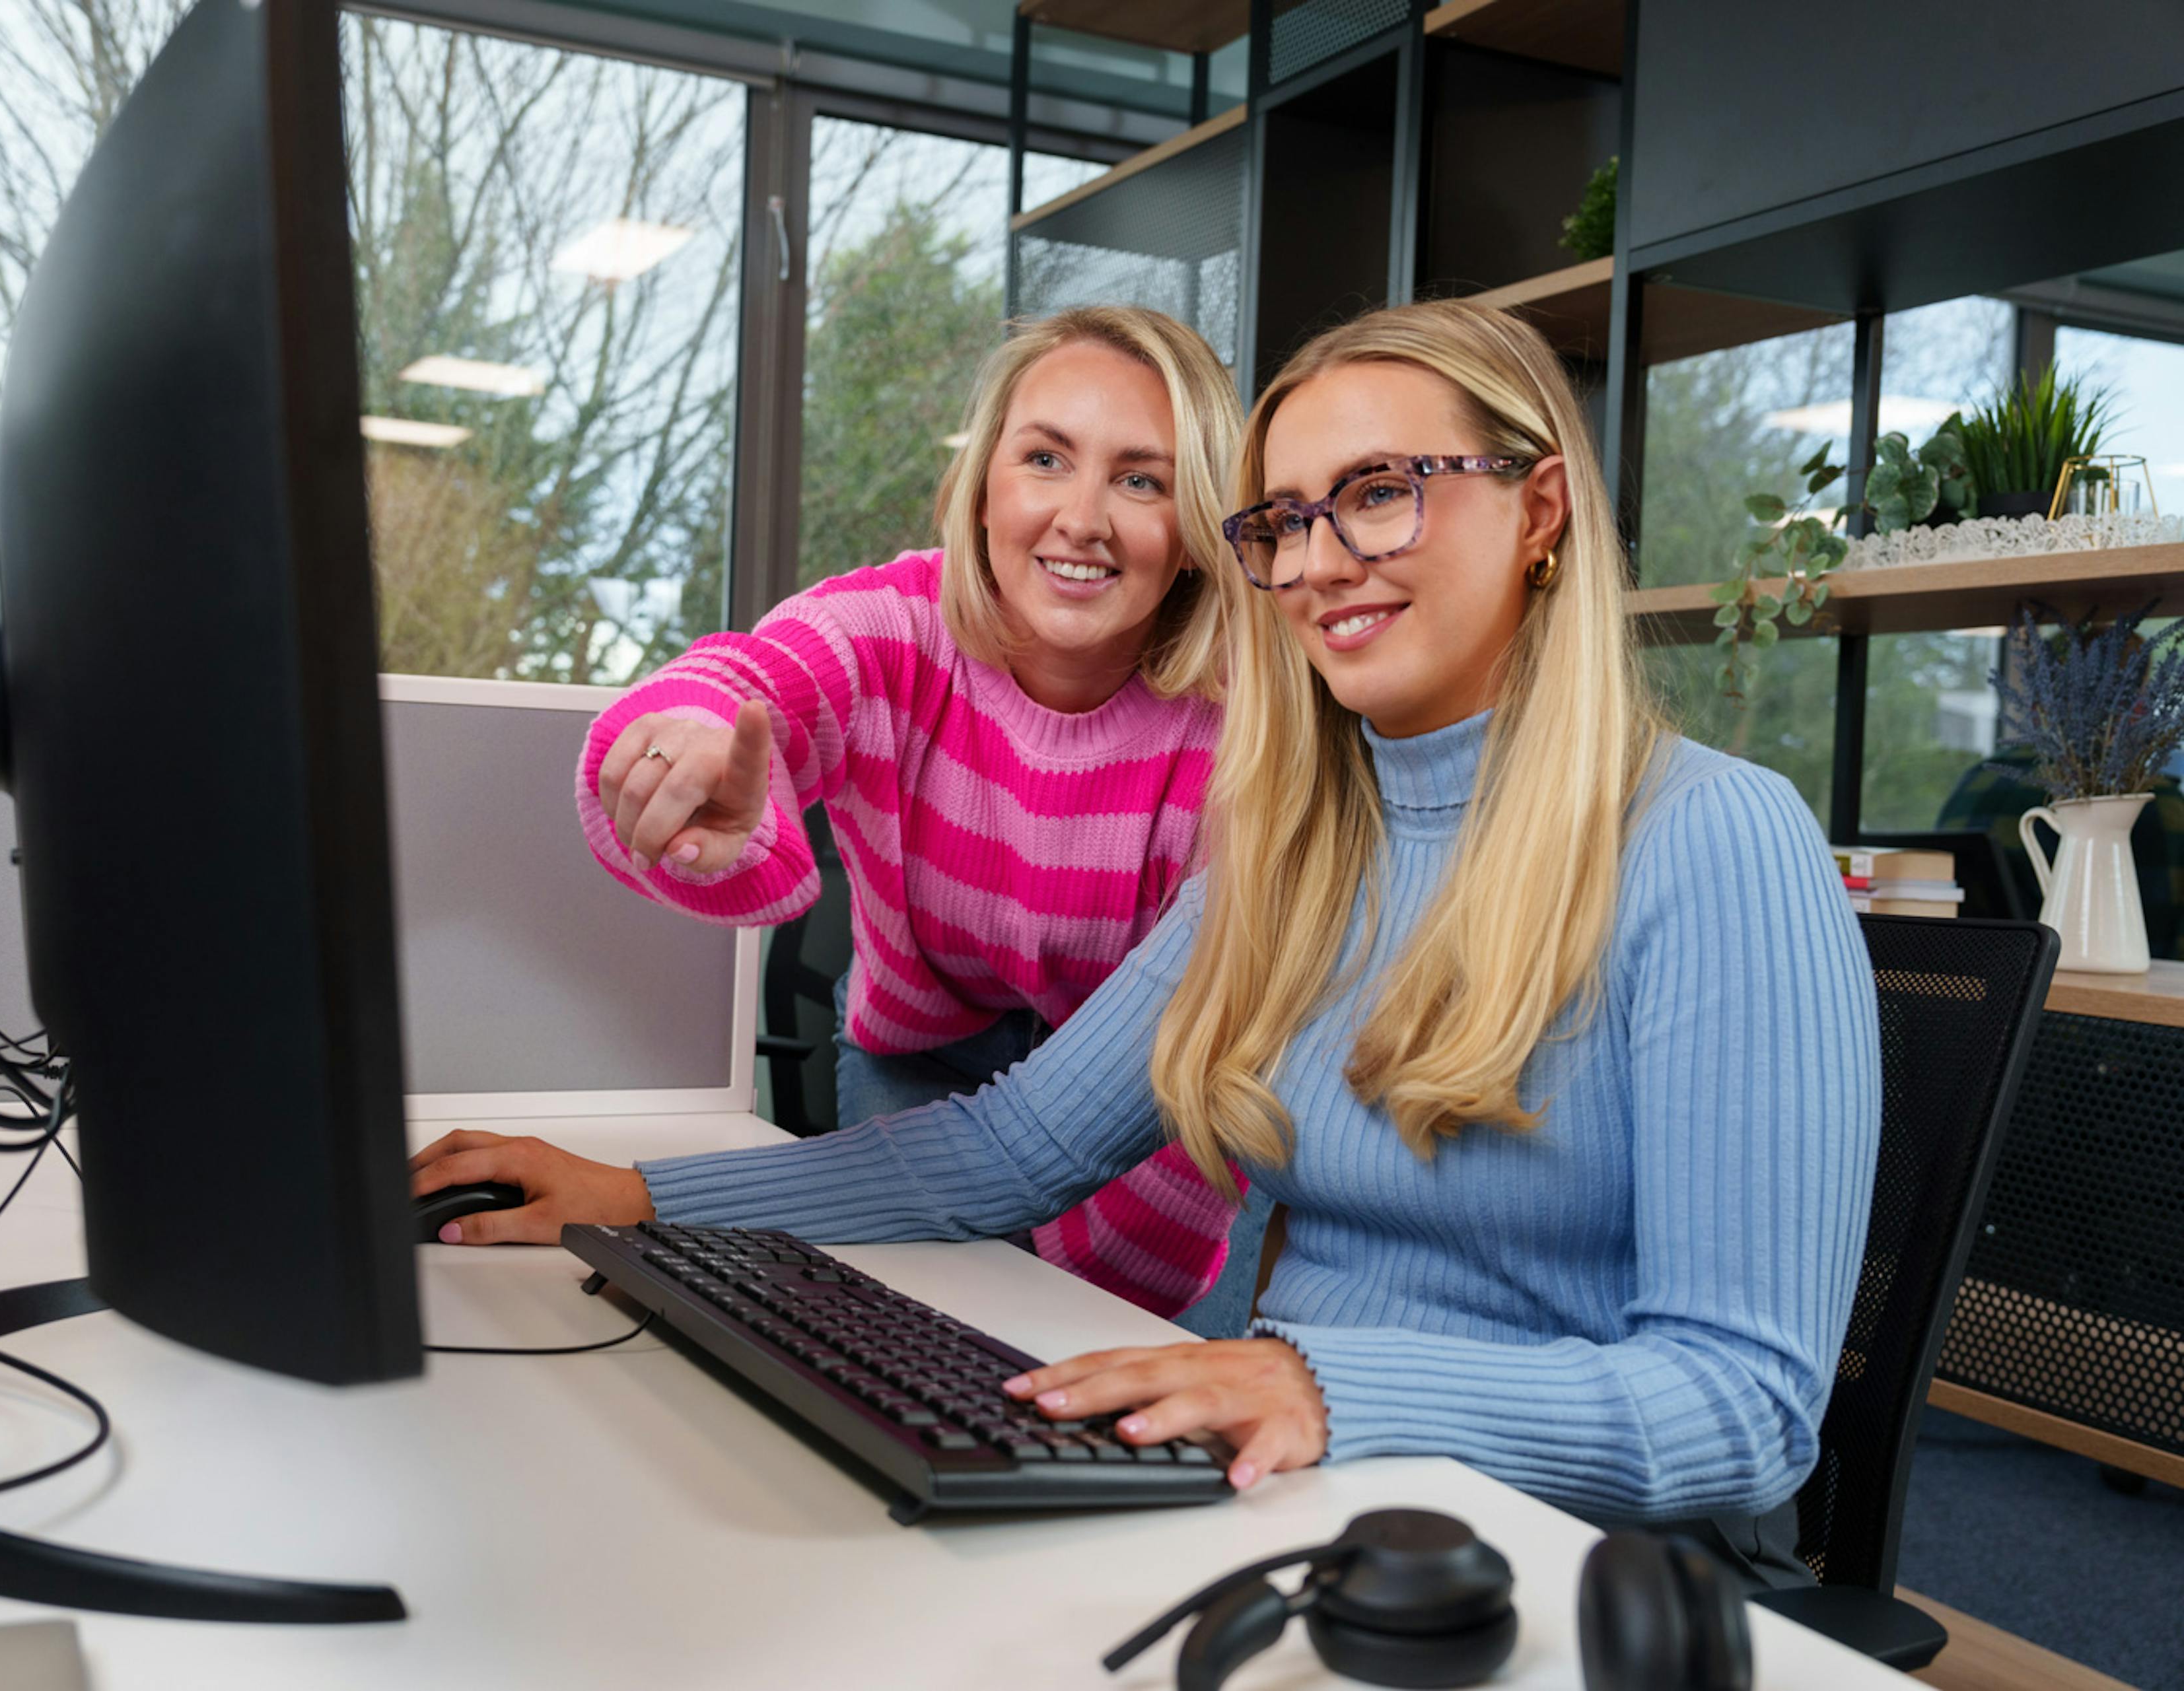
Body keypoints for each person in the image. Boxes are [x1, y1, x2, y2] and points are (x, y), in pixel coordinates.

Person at [416, 300, 1878, 1587]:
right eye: (1287, 520)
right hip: (1317, 1505)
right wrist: (638, 1195)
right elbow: (1007, 1151)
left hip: (1563, 1562)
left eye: (1380, 495)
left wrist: (1317, 1382)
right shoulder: (1303, 838)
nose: (1320, 562)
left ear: (1542, 508)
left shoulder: (1712, 840)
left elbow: (1743, 1408)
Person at [566, 304, 1268, 1330]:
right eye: (1045, 458)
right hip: (928, 1046)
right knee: (894, 1330)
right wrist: (689, 740)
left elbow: (1112, 1115)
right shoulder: (895, 625)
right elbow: (755, 674)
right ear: (980, 485)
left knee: (1103, 1363)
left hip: (1145, 1086)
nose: (1083, 517)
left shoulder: (1244, 716)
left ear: (1197, 530)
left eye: (1141, 479)